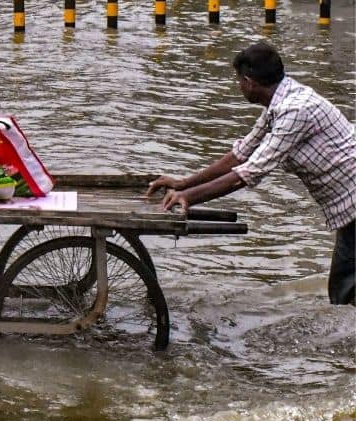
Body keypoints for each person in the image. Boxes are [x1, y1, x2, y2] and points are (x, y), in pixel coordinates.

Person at [146, 41, 355, 305]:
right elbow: (241, 153)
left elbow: (249, 172)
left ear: (249, 82)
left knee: (344, 289)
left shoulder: (295, 110)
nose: (239, 86)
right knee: (344, 287)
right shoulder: (278, 104)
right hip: (348, 205)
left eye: (239, 81)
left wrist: (189, 197)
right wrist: (184, 183)